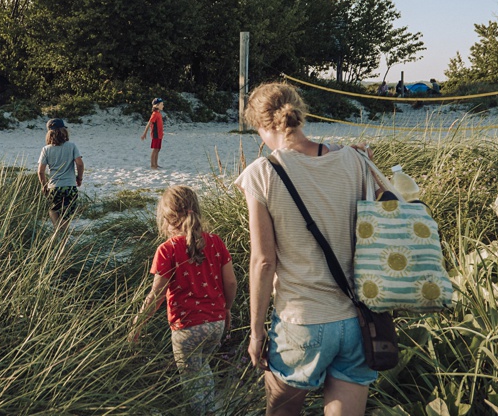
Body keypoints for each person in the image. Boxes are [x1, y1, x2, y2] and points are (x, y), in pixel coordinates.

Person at [232, 82, 378, 415]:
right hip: (357, 319)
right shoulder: (354, 159)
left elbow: (263, 261)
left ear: (262, 126)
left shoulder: (262, 173)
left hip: (300, 322)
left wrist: (256, 334)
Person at [132, 185, 237, 414]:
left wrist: (138, 323)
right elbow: (230, 282)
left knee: (191, 380)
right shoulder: (216, 242)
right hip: (216, 323)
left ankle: (201, 412)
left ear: (168, 219)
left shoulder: (167, 249)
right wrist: (226, 309)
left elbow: (157, 295)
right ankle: (213, 409)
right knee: (202, 368)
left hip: (186, 328)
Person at [36, 118, 84, 227]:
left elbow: (40, 171)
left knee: (53, 210)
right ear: (64, 131)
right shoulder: (71, 146)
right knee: (66, 215)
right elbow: (80, 164)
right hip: (70, 186)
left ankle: (58, 230)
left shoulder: (46, 149)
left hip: (54, 186)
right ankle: (62, 233)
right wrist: (79, 178)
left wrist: (44, 186)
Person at [140, 97, 166, 169]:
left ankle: (156, 164)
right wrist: (144, 133)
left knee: (158, 149)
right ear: (156, 105)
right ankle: (152, 165)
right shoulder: (154, 114)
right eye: (161, 104)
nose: (163, 106)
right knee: (155, 149)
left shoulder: (159, 113)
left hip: (160, 135)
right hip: (156, 134)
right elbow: (149, 123)